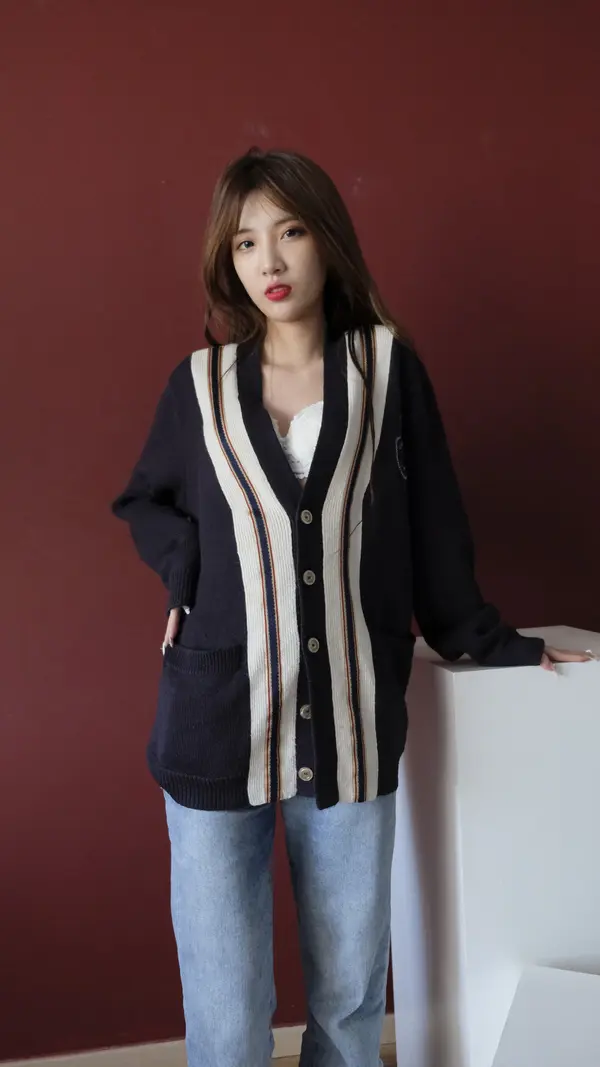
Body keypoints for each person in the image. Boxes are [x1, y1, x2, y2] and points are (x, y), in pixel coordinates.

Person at [111, 148, 593, 1067]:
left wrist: (493, 641)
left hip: (351, 725)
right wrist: (187, 573)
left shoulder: (386, 371)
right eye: (245, 241)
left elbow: (435, 525)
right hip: (214, 722)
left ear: (326, 240)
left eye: (289, 231)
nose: (269, 260)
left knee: (348, 1002)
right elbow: (146, 503)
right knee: (226, 1014)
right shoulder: (198, 386)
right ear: (227, 258)